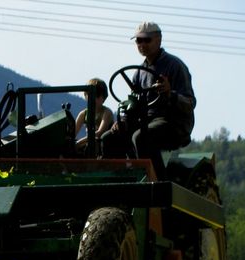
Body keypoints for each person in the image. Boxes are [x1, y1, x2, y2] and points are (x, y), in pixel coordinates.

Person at [102, 22, 196, 179]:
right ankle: (120, 182)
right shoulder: (139, 73)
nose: (142, 44)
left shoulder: (175, 66)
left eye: (147, 40)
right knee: (109, 138)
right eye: (139, 40)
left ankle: (157, 184)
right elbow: (133, 104)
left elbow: (190, 103)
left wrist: (170, 94)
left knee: (141, 137)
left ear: (159, 40)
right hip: (147, 120)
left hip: (173, 122)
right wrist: (123, 120)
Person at [74, 78, 114, 151]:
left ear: (103, 97)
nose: (94, 99)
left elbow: (99, 133)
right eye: (90, 95)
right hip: (89, 146)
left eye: (97, 96)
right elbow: (72, 134)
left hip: (104, 148)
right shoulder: (83, 114)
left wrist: (78, 143)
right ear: (85, 96)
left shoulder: (107, 112)